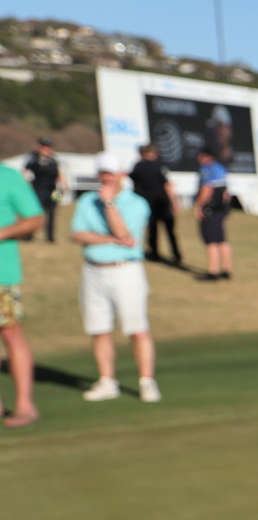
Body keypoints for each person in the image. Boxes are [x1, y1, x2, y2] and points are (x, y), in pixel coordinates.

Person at [69, 152, 159, 404]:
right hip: (93, 268)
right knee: (99, 328)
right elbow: (77, 234)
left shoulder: (136, 203)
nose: (106, 178)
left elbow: (125, 235)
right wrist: (109, 240)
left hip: (125, 270)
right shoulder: (87, 201)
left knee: (136, 328)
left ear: (121, 174)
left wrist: (109, 204)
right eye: (102, 173)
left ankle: (146, 381)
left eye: (110, 172)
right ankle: (107, 381)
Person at [0, 161, 46, 426]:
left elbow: (35, 218)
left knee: (9, 332)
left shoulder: (8, 177)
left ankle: (25, 406)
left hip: (2, 274)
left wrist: (3, 232)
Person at [130, 143, 182, 266]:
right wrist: (174, 202)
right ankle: (176, 255)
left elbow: (133, 183)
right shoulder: (159, 166)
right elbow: (167, 185)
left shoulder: (138, 166)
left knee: (152, 230)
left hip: (148, 205)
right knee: (170, 231)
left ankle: (154, 253)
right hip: (163, 204)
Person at [193, 149, 233, 280]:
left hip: (210, 210)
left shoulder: (207, 169)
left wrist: (198, 206)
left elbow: (206, 189)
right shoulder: (220, 168)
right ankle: (226, 270)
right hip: (220, 210)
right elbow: (226, 193)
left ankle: (212, 271)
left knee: (211, 241)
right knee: (221, 239)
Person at [23, 139, 63, 243]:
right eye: (44, 148)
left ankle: (50, 238)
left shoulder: (54, 160)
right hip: (38, 190)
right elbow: (25, 172)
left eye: (48, 148)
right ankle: (28, 236)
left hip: (54, 191)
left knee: (52, 213)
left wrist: (63, 185)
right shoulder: (33, 160)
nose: (47, 150)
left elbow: (58, 174)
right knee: (34, 212)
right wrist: (26, 184)